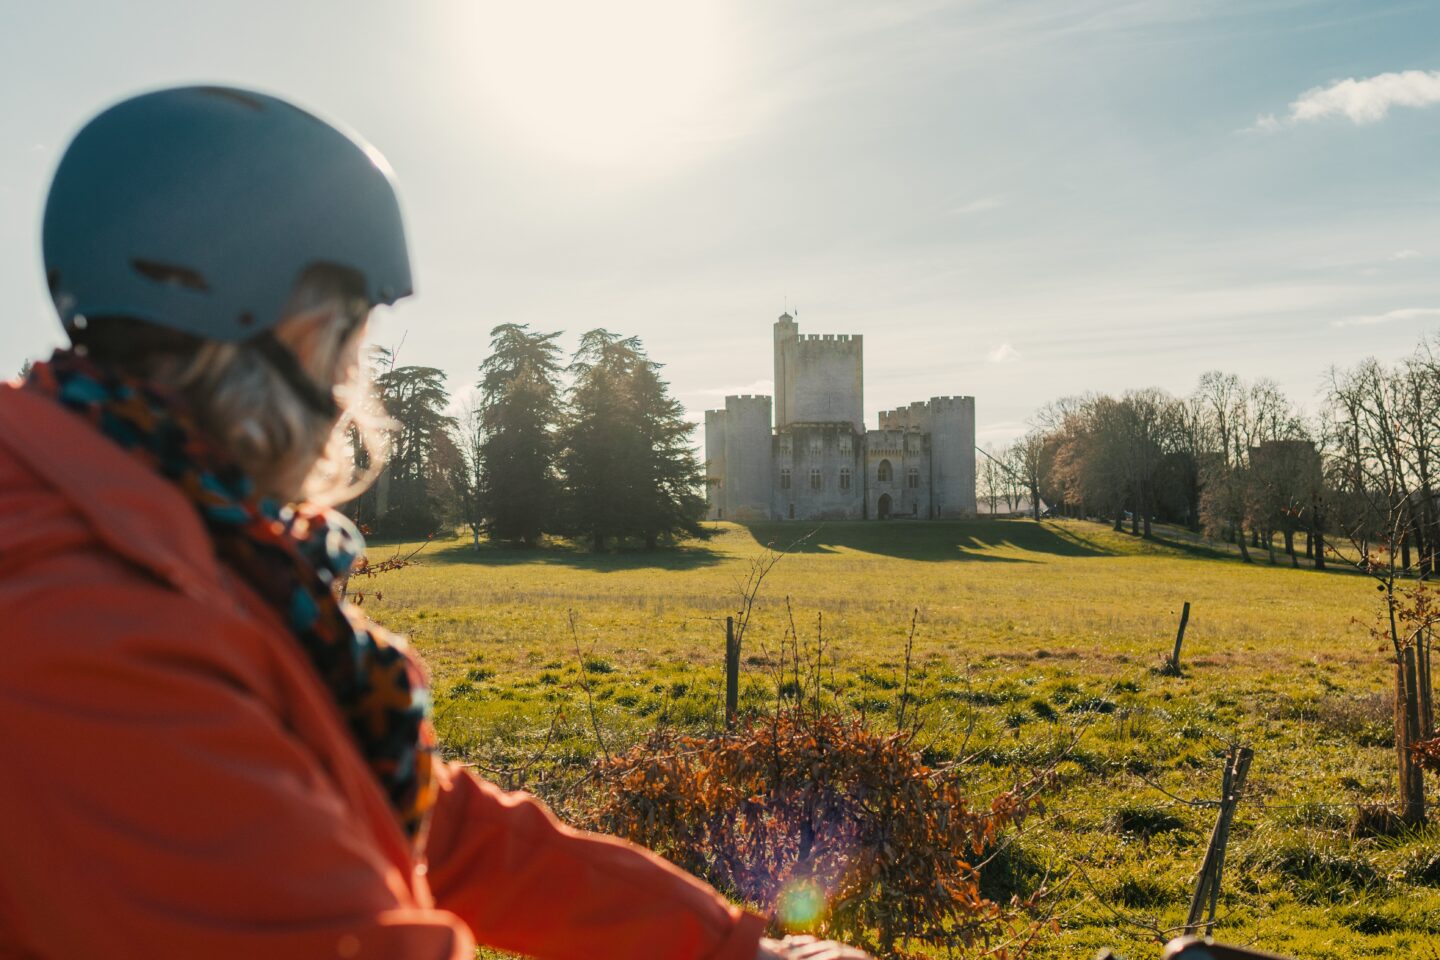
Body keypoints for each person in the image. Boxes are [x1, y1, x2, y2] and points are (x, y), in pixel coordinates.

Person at [0, 86, 870, 960]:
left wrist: (732, 949)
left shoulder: (177, 538)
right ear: (268, 332)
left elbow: (430, 825)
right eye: (348, 341)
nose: (355, 389)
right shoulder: (84, 628)